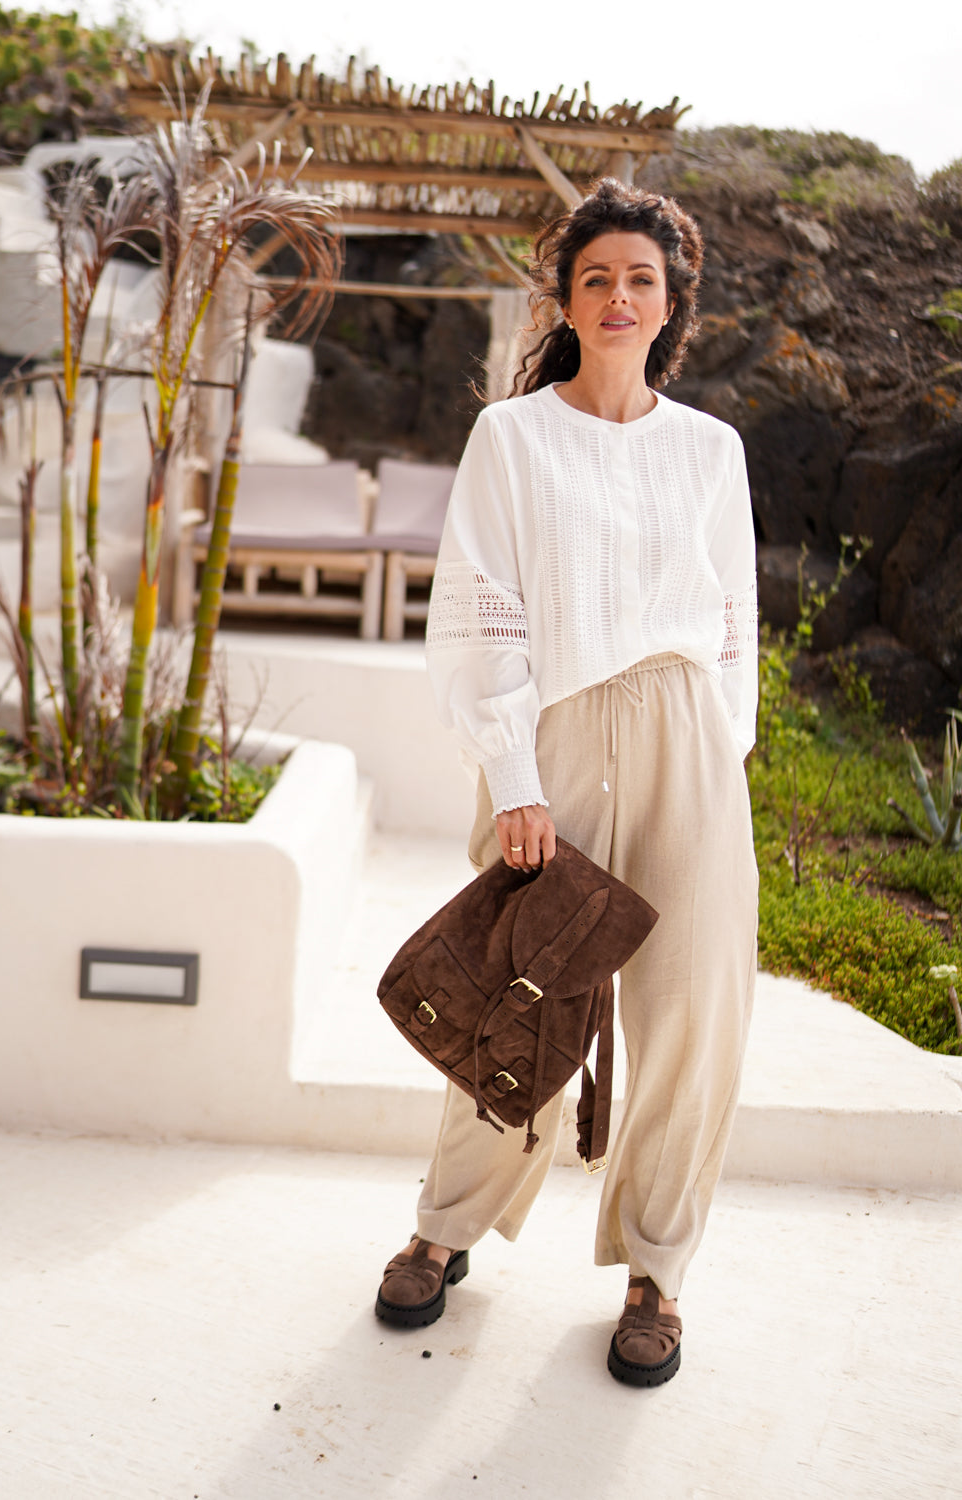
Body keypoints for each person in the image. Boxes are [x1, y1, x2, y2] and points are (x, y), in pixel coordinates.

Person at [374, 179, 759, 1388]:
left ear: (671, 303)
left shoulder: (710, 450)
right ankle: (446, 1228)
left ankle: (657, 1267)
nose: (618, 296)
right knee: (515, 987)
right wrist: (513, 776)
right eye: (597, 277)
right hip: (554, 732)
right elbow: (480, 609)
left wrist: (716, 761)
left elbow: (734, 625)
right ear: (567, 298)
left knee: (692, 1010)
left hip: (687, 737)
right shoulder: (513, 436)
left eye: (641, 278)